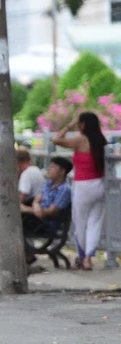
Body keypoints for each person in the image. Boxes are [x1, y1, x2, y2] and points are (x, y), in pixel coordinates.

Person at [54, 112, 107, 270]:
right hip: (100, 185)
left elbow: (56, 139)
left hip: (83, 186)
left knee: (80, 222)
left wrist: (69, 125)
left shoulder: (80, 139)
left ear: (83, 124)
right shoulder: (101, 140)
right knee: (95, 222)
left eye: (79, 123)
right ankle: (89, 259)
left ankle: (82, 256)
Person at [21, 156, 72, 236]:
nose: (49, 169)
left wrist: (26, 209)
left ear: (62, 171)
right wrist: (35, 206)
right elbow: (37, 199)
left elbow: (51, 212)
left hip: (46, 224)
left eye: (53, 167)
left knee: (14, 218)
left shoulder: (65, 189)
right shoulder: (48, 183)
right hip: (36, 218)